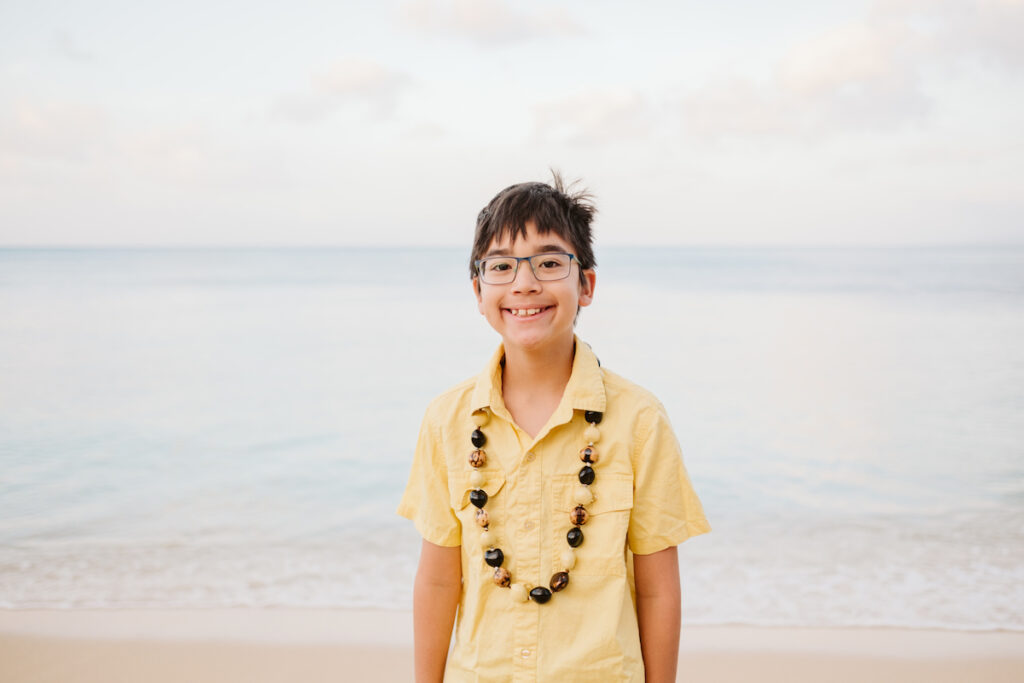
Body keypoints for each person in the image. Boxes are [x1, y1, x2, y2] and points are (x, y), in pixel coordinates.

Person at [397, 173, 710, 682]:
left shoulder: (639, 419)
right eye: (501, 266)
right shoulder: (446, 420)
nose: (524, 283)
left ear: (585, 285)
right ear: (478, 292)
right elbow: (437, 581)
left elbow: (658, 589)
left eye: (548, 262)